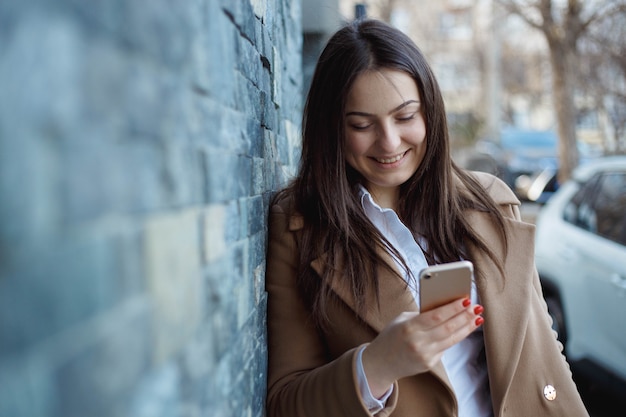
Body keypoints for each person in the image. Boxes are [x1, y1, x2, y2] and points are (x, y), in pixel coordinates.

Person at [265, 18, 589, 417]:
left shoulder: (490, 201)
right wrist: (378, 365)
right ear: (332, 128)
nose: (389, 142)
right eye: (362, 125)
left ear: (430, 111)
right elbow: (285, 401)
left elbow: (542, 345)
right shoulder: (299, 227)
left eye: (405, 117)